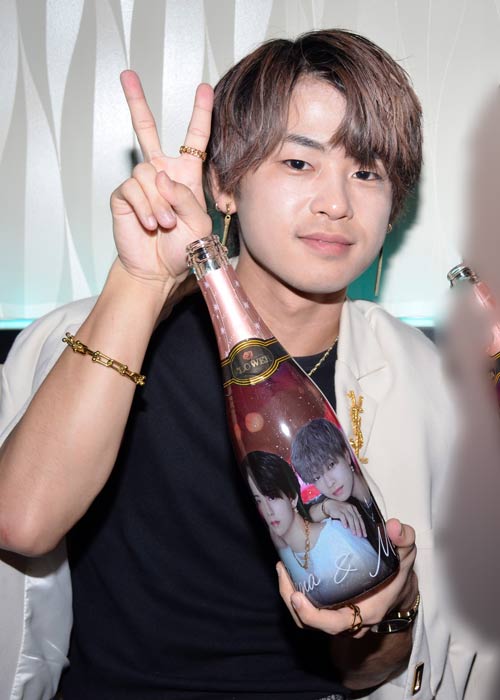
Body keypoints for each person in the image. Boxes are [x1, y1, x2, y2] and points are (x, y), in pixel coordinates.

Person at [0, 28, 474, 699]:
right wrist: (141, 280)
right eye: (299, 163)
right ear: (223, 186)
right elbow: (21, 523)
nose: (337, 203)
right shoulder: (108, 337)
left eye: (366, 172)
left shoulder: (420, 381)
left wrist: (389, 608)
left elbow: (372, 671)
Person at [243, 450, 383, 607]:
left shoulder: (337, 536)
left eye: (272, 497)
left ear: (292, 497)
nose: (268, 511)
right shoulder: (281, 553)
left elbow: (379, 591)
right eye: (258, 501)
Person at [291, 418, 399, 575]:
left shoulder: (384, 482)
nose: (329, 482)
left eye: (331, 465)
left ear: (346, 455)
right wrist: (327, 507)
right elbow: (301, 516)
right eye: (317, 477)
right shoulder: (334, 509)